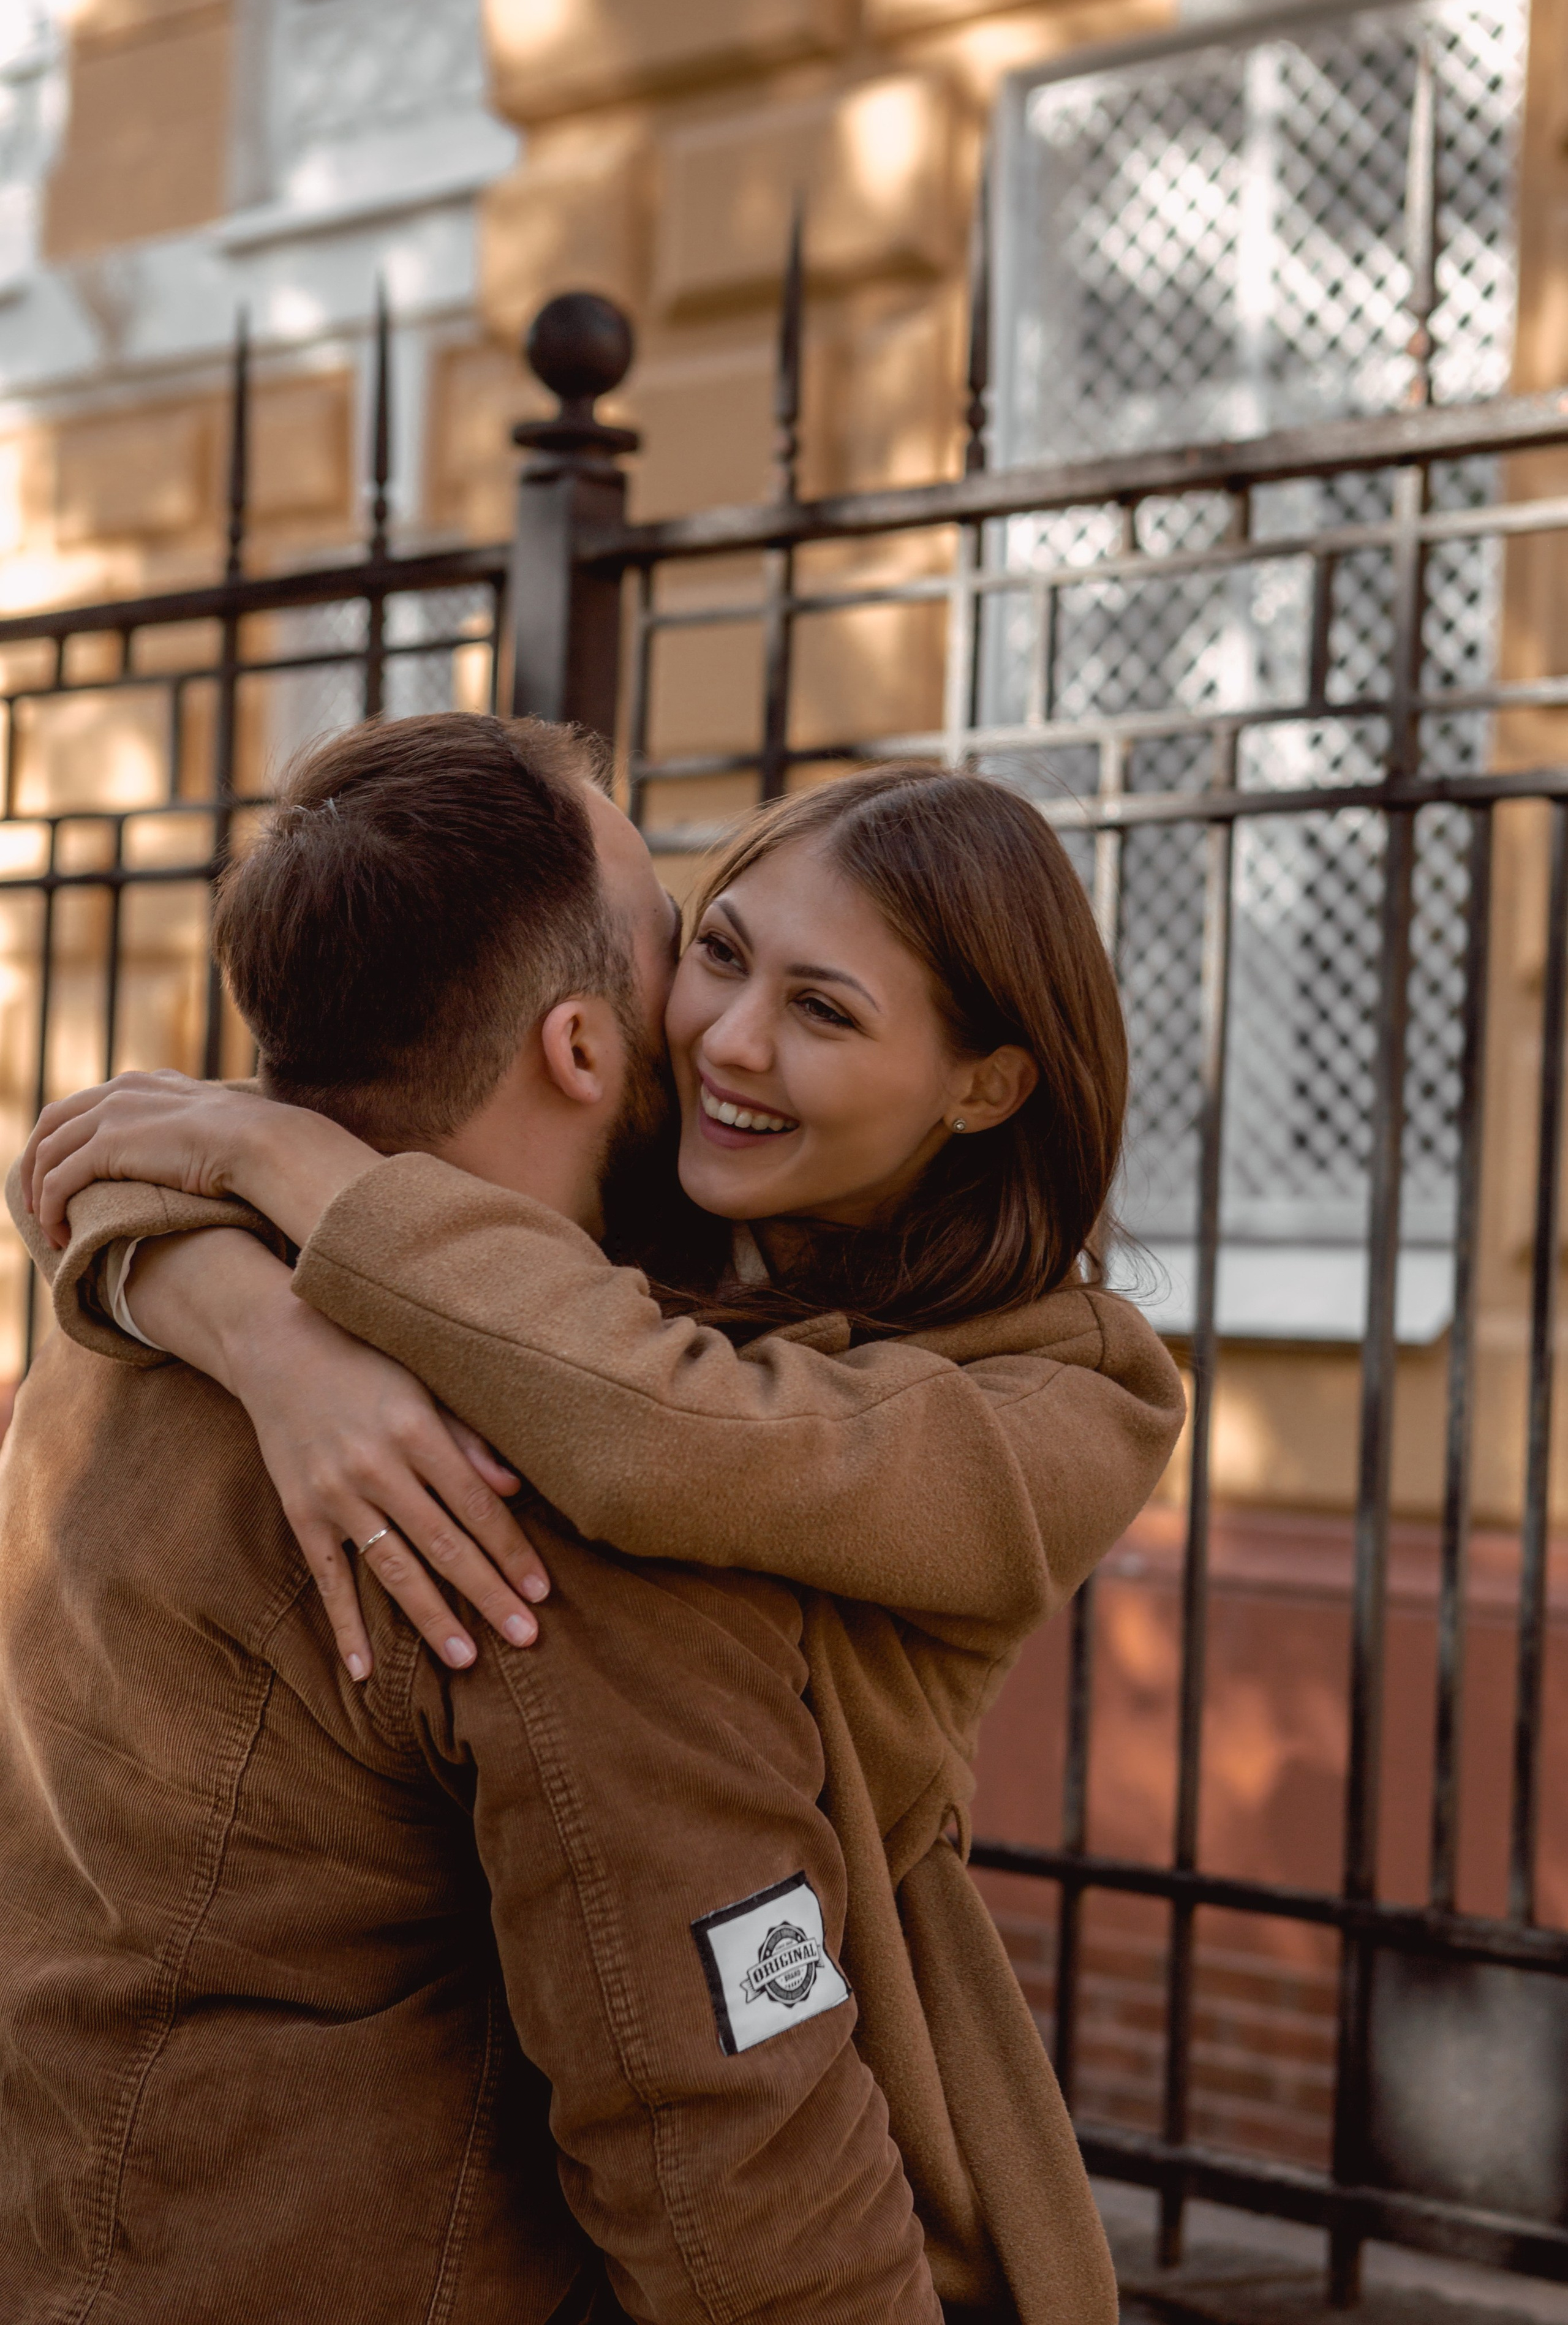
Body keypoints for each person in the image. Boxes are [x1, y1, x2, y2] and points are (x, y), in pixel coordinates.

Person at [15, 734, 1185, 2323]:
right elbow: (726, 2134)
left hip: (874, 2094)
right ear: (583, 1042)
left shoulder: (1062, 1394)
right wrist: (243, 1309)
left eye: (823, 1007)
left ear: (986, 1079)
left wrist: (282, 1170)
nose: (718, 1037)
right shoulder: (600, 1277)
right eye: (707, 950)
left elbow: (669, 1430)